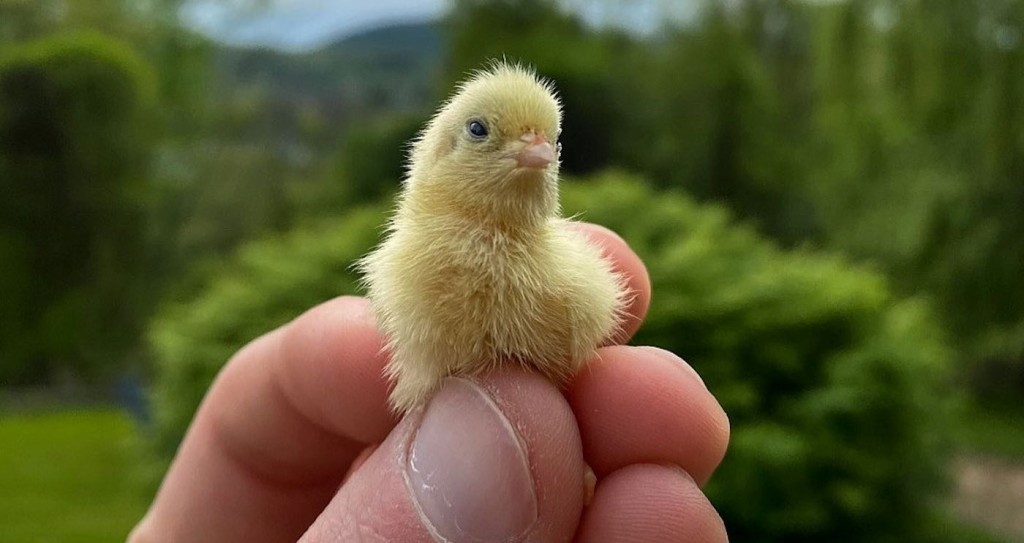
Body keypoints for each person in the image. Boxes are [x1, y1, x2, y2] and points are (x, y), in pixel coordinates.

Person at [129, 224, 730, 542]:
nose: (534, 149)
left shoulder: (560, 268)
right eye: (481, 134)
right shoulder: (420, 258)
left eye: (549, 138)